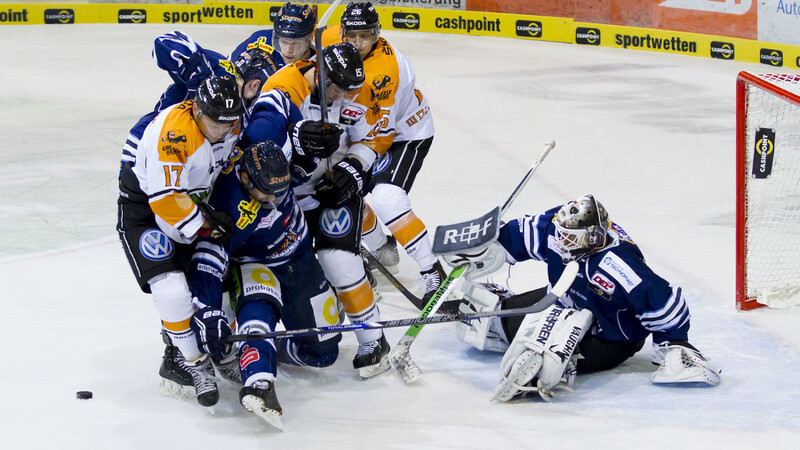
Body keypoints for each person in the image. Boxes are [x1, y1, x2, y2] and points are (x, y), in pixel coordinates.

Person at [448, 194, 721, 401]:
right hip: (563, 302)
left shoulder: (620, 266)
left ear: (592, 236)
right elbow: (526, 232)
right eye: (560, 234)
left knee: (547, 360)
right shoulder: (560, 228)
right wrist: (490, 248)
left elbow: (664, 303)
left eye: (569, 238)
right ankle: (540, 337)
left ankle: (562, 361)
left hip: (610, 337)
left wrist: (674, 343)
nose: (561, 241)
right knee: (487, 321)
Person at [242, 42, 393, 379]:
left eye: (347, 90)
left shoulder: (357, 90)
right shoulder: (284, 88)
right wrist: (296, 147)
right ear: (320, 72)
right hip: (287, 198)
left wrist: (351, 170)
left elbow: (373, 140)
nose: (340, 97)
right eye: (335, 88)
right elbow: (258, 144)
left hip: (334, 191)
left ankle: (373, 338)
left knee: (338, 260)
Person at [188, 140, 341, 430]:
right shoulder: (228, 204)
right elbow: (208, 259)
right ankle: (259, 384)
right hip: (253, 263)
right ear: (245, 179)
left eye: (279, 192)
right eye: (266, 193)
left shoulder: (273, 170)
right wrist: (208, 310)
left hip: (299, 255)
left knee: (324, 353)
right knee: (258, 311)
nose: (273, 199)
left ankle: (277, 346)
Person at [117, 74, 244, 408]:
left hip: (196, 206)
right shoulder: (174, 134)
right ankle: (192, 362)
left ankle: (223, 352)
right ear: (198, 110)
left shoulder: (229, 123)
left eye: (227, 125)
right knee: (173, 290)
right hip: (147, 210)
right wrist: (206, 225)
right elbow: (167, 204)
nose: (221, 132)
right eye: (215, 124)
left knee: (222, 283)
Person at [322, 2, 444, 306]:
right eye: (352, 36)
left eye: (366, 36)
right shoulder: (332, 39)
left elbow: (380, 135)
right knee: (342, 192)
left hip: (402, 134)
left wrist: (351, 166)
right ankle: (382, 247)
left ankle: (432, 270)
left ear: (377, 33)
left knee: (387, 196)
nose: (359, 43)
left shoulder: (383, 73)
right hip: (362, 129)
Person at [230, 2, 317, 67]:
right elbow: (227, 66)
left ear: (308, 39)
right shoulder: (260, 41)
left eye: (295, 43)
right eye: (284, 42)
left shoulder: (320, 62)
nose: (289, 50)